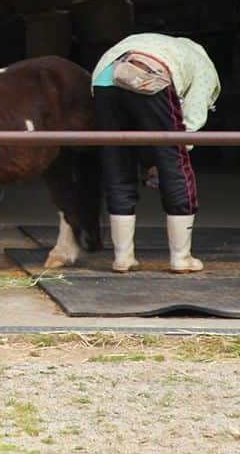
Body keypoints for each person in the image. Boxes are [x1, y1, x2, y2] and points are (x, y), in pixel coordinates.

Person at [92, 34, 220, 274]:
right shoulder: (203, 67)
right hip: (150, 74)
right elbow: (190, 123)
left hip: (104, 79)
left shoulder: (162, 44)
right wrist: (168, 158)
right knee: (175, 161)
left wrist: (150, 159)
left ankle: (122, 257)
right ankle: (181, 258)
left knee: (116, 161)